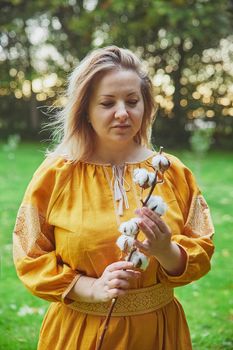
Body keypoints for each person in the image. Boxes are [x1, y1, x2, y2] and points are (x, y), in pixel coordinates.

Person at [13, 46, 214, 350]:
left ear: (145, 105)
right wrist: (91, 288)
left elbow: (202, 245)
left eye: (132, 101)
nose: (123, 113)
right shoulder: (56, 175)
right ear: (85, 109)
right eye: (108, 103)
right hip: (80, 333)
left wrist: (165, 250)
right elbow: (29, 254)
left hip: (158, 333)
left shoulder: (172, 172)